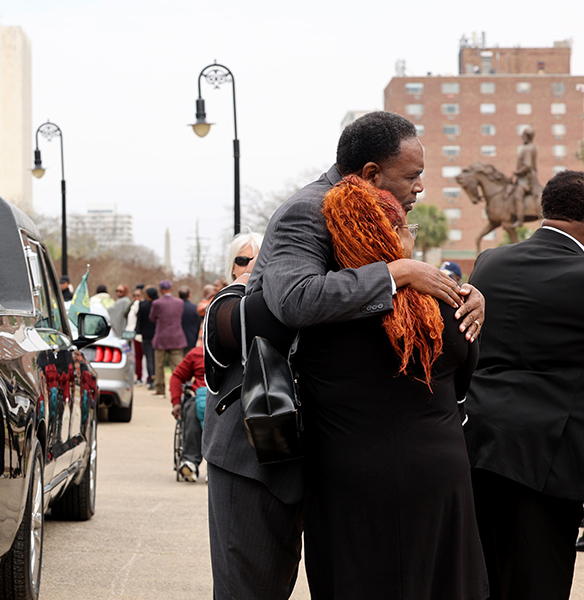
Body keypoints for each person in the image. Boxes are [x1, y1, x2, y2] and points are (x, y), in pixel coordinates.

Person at [201, 110, 486, 600]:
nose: (421, 188)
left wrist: (464, 294)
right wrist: (397, 274)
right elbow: (293, 299)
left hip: (341, 447)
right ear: (373, 174)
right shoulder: (307, 210)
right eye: (412, 176)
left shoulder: (378, 219)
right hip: (265, 437)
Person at [300, 175, 486, 599]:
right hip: (435, 469)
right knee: (441, 581)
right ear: (391, 235)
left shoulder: (319, 313)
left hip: (346, 473)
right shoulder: (446, 303)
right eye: (408, 228)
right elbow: (465, 372)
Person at [465, 169, 584, 600]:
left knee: (485, 582)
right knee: (538, 584)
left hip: (478, 446)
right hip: (548, 461)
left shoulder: (489, 262)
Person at [170, 336, 205, 482]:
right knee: (191, 411)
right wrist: (176, 402)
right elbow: (177, 376)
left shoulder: (236, 354)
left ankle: (219, 465)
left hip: (226, 398)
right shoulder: (196, 354)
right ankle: (190, 461)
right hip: (199, 397)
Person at [149, 280, 186, 397]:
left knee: (159, 365)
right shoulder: (180, 302)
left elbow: (152, 318)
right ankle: (180, 388)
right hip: (177, 336)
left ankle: (160, 389)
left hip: (161, 337)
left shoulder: (156, 303)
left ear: (160, 290)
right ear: (171, 289)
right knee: (177, 365)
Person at [510, 125, 538, 227]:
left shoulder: (527, 149)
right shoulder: (531, 147)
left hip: (526, 179)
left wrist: (517, 172)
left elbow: (527, 165)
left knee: (518, 196)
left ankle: (519, 220)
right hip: (525, 177)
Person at [135, 286, 157, 388]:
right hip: (157, 335)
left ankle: (151, 380)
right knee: (156, 359)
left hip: (146, 335)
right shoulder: (158, 305)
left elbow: (139, 321)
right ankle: (155, 378)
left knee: (149, 358)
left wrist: (138, 331)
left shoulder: (142, 305)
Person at [177, 285, 200, 354]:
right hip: (191, 338)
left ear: (178, 295)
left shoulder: (175, 308)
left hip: (177, 339)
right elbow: (198, 324)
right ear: (189, 295)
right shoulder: (195, 308)